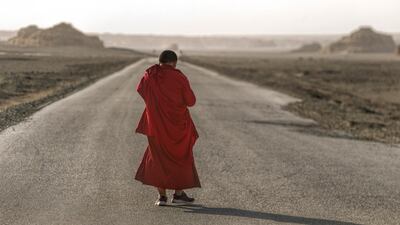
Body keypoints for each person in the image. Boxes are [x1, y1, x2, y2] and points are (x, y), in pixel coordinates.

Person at [134, 50, 201, 206]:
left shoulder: (149, 75)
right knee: (181, 157)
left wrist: (154, 105)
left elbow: (141, 90)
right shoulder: (179, 77)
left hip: (155, 125)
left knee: (158, 158)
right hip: (178, 127)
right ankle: (178, 194)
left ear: (160, 62)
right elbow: (190, 101)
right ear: (174, 63)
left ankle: (162, 197)